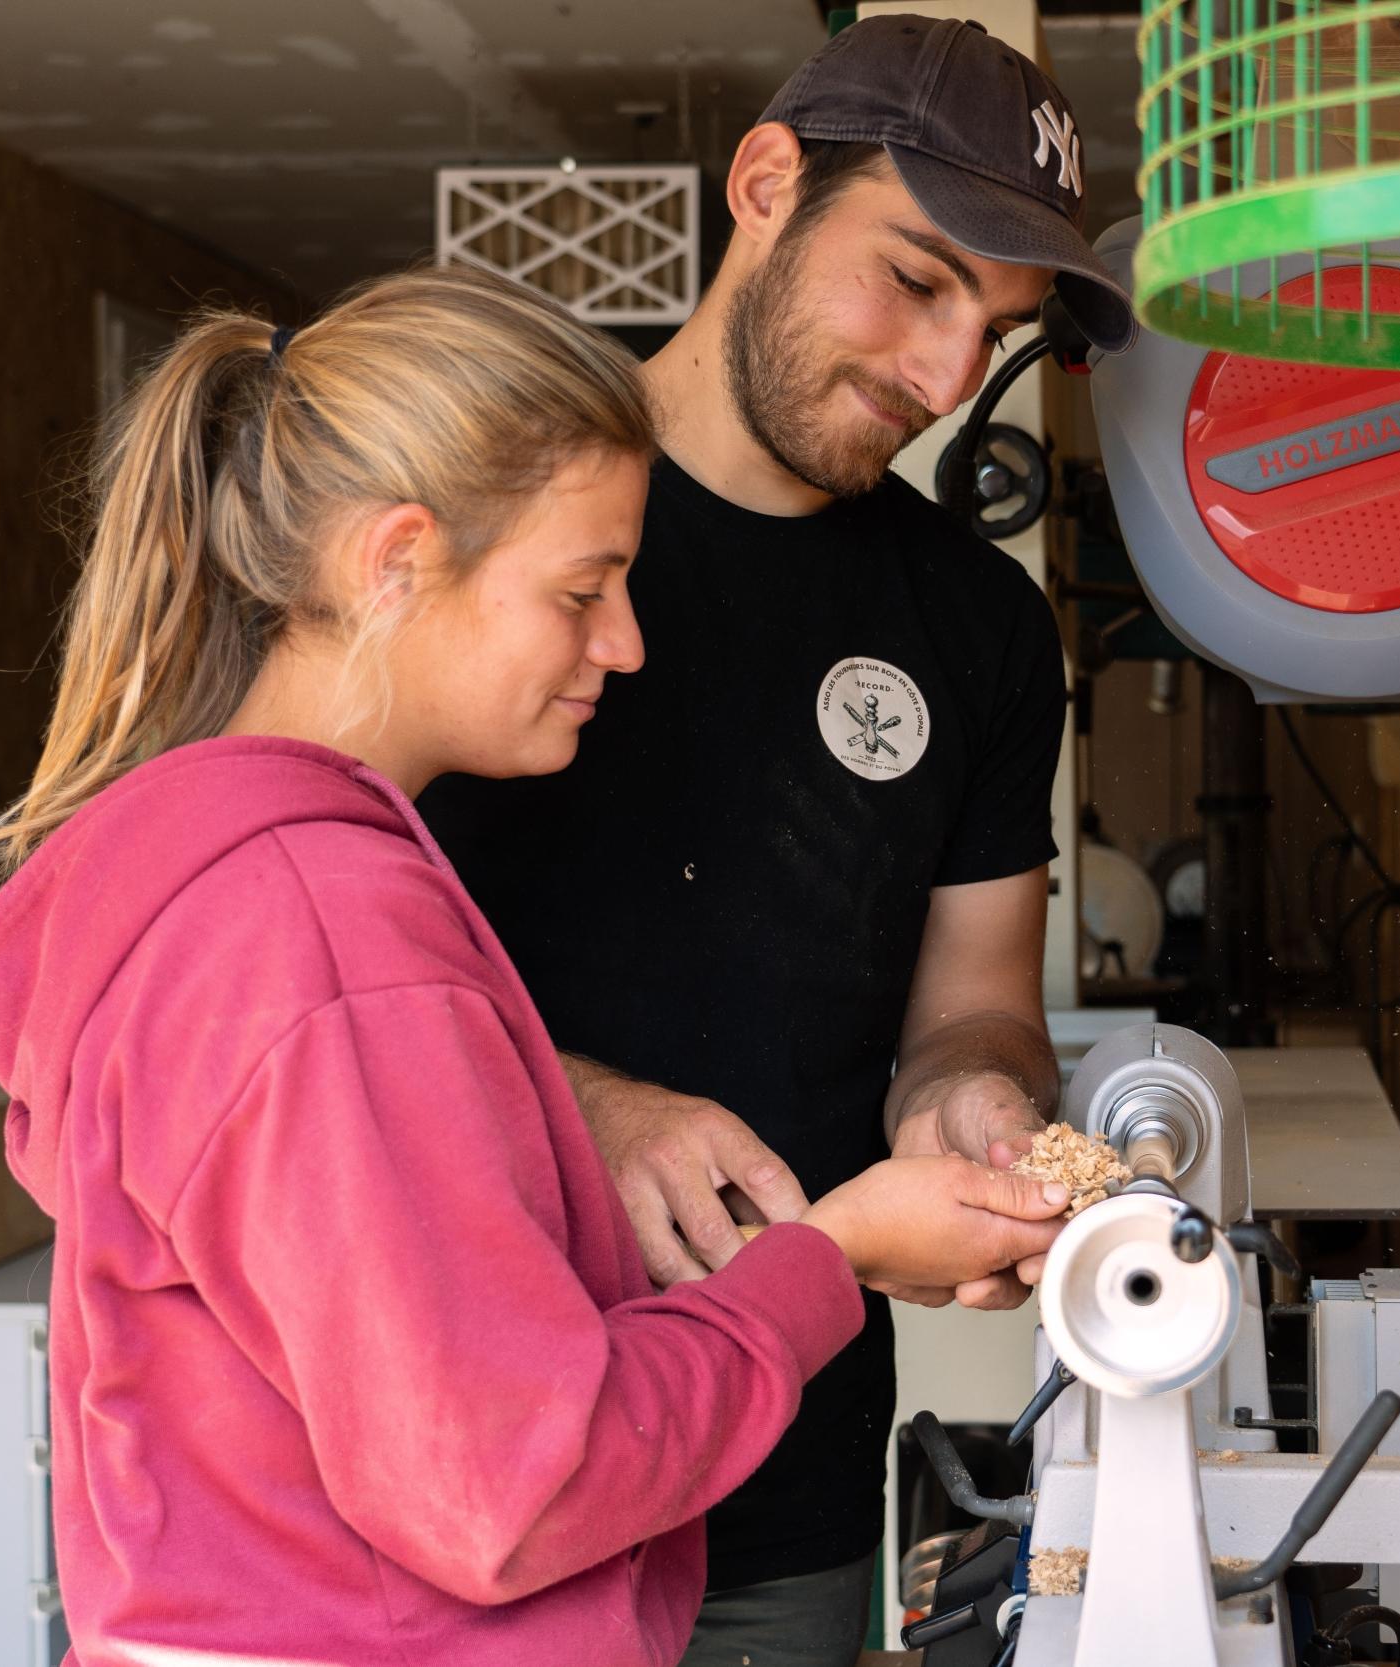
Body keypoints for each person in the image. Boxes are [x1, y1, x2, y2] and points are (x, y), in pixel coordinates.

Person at [0, 266, 1072, 1667]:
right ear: (394, 561)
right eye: (582, 590)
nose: (625, 643)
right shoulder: (328, 936)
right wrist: (838, 1253)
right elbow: (512, 1485)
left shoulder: (211, 877)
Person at [415, 18, 1138, 1663]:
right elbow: (287, 939)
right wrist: (580, 1107)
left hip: (780, 1479)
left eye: (998, 329)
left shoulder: (978, 627)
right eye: (915, 279)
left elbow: (971, 997)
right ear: (764, 184)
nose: (948, 380)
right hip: (457, 1457)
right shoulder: (482, 501)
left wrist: (972, 1100)